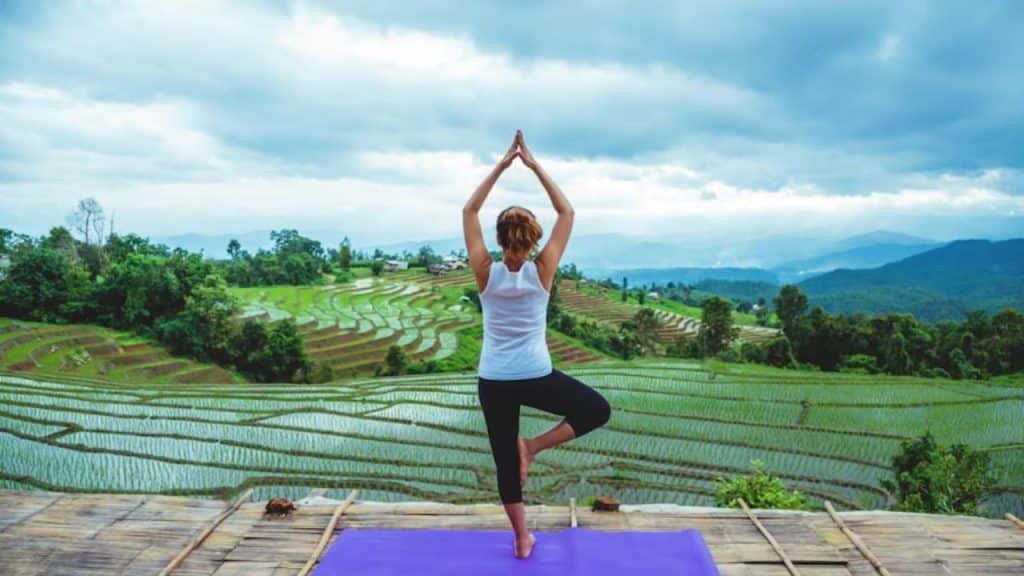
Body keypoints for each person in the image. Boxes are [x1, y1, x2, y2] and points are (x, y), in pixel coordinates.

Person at [462, 130, 612, 559]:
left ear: (499, 238)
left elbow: (469, 208)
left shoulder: (484, 271)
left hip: (494, 379)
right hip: (535, 375)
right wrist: (532, 164)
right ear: (531, 240)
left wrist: (503, 164)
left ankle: (522, 539)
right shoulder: (542, 269)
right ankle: (535, 445)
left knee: (505, 466)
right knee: (596, 409)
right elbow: (567, 210)